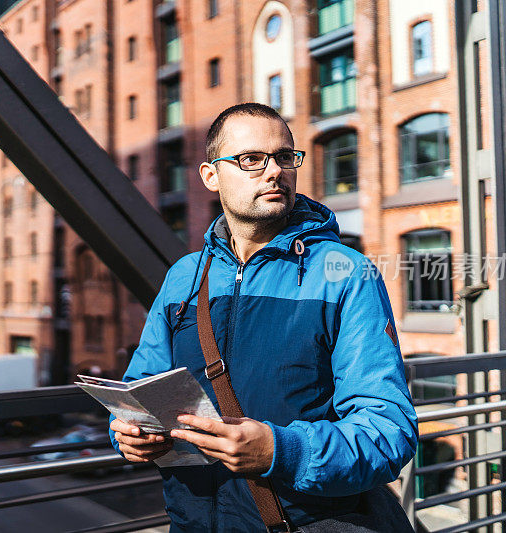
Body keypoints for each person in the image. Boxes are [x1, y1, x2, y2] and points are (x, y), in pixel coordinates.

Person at [108, 103, 418, 531]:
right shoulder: (184, 277)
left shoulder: (346, 273)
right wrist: (129, 432)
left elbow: (388, 430)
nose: (274, 171)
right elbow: (140, 388)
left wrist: (280, 451)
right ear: (210, 176)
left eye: (285, 157)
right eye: (251, 159)